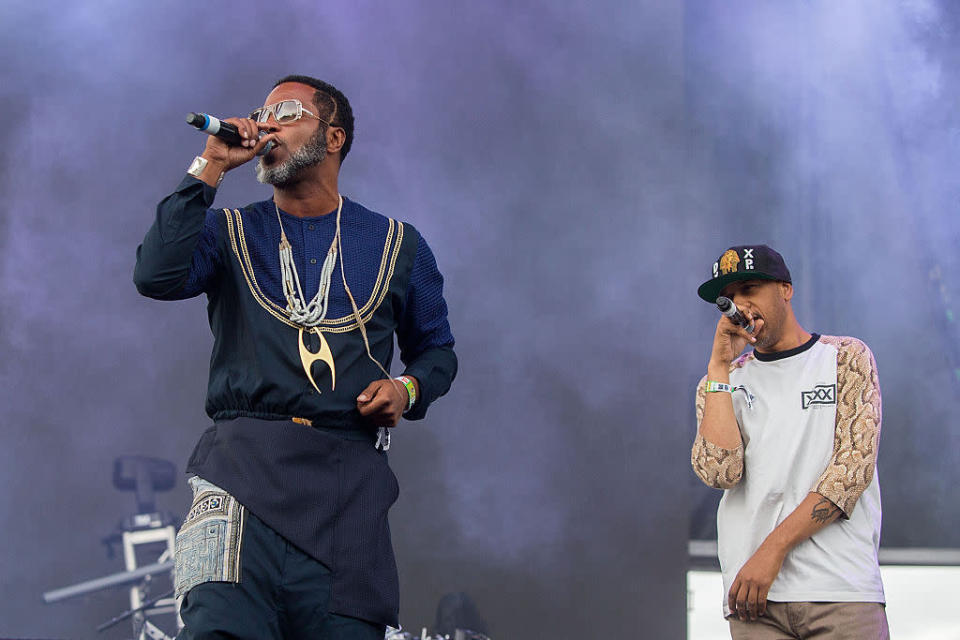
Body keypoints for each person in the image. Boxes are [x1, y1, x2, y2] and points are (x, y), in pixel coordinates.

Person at [134, 75, 457, 639]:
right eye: (263, 111)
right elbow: (155, 276)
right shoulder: (228, 230)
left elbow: (438, 352)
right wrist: (211, 162)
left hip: (347, 491)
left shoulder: (398, 244)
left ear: (333, 138)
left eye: (286, 111)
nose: (267, 122)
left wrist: (407, 390)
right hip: (240, 476)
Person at [690, 245, 887, 639]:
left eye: (749, 288)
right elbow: (719, 472)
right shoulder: (720, 383)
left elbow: (850, 474)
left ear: (785, 289)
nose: (739, 306)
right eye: (728, 299)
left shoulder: (845, 357)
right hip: (754, 602)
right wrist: (718, 367)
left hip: (840, 590)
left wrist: (771, 552)